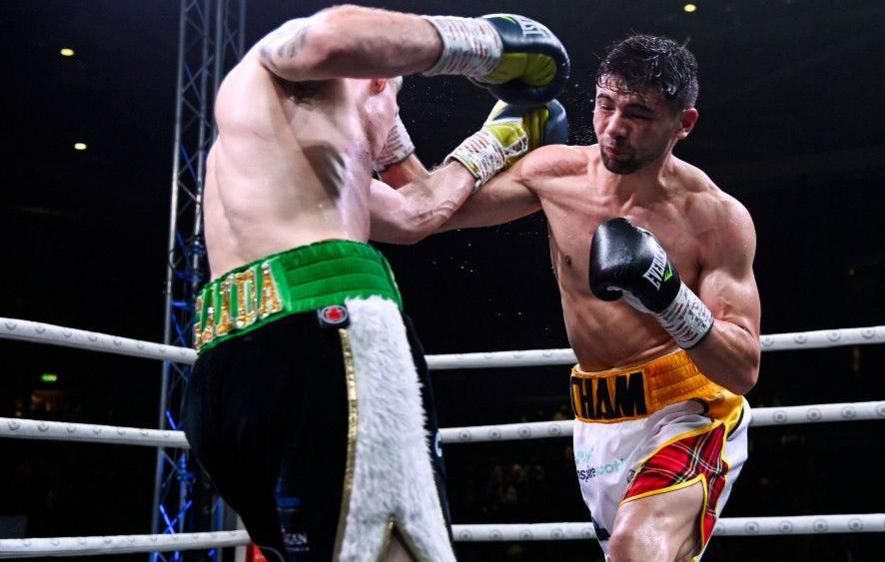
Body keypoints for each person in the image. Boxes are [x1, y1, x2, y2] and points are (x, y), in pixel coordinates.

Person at [179, 5, 568, 562]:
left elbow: (417, 210)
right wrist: (490, 43)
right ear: (380, 81)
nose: (392, 130)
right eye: (394, 105)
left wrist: (501, 139)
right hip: (327, 330)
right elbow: (336, 37)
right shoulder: (280, 59)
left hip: (224, 364)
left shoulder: (284, 148)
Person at [443, 35, 761, 561]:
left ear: (683, 124)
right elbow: (424, 214)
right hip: (596, 418)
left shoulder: (716, 218)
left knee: (637, 549)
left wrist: (669, 297)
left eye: (638, 113)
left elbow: (745, 367)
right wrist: (399, 138)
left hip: (690, 412)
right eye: (605, 104)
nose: (613, 127)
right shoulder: (554, 175)